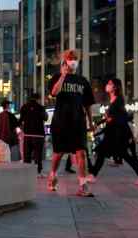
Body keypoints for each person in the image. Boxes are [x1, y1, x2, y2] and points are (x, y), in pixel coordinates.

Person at [47, 49, 95, 197]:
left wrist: (90, 122)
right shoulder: (57, 77)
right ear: (64, 61)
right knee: (58, 153)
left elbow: (87, 104)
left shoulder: (83, 81)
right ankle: (53, 175)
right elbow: (54, 93)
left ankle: (83, 185)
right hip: (61, 121)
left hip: (78, 121)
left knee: (81, 152)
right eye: (69, 58)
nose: (72, 60)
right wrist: (63, 75)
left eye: (75, 58)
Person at [87, 78, 138, 185]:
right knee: (122, 154)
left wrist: (112, 118)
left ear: (115, 87)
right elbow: (110, 117)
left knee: (102, 152)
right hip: (113, 131)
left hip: (116, 133)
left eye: (110, 84)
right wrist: (100, 122)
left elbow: (125, 116)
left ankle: (93, 175)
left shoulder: (118, 99)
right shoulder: (113, 100)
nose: (107, 85)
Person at [19, 93, 48, 178]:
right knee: (38, 155)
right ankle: (38, 172)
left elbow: (20, 121)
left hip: (27, 135)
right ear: (38, 99)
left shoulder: (24, 107)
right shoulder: (41, 107)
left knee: (27, 155)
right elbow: (45, 118)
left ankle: (26, 172)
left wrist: (23, 129)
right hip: (38, 135)